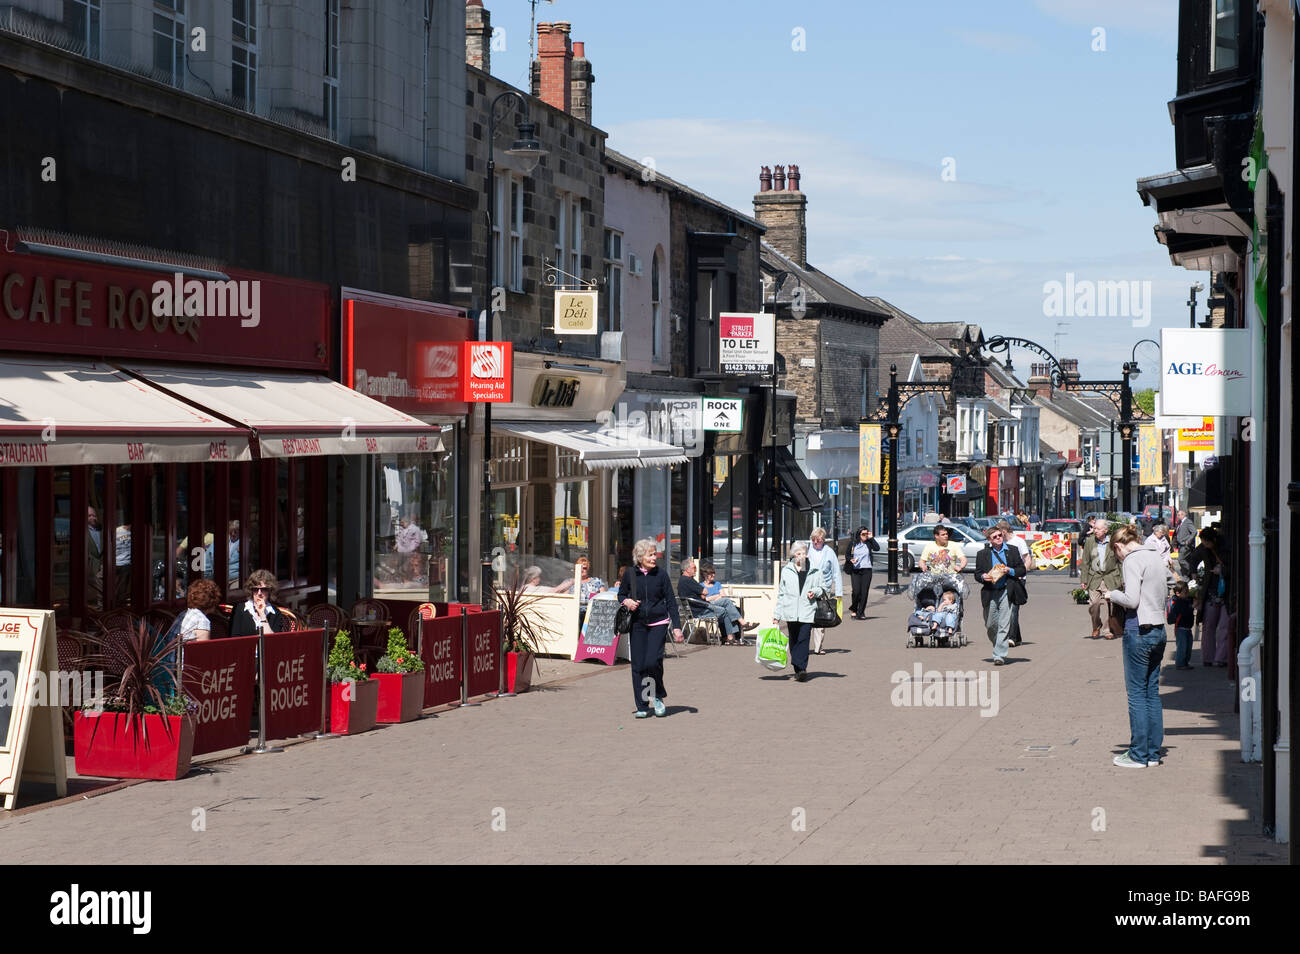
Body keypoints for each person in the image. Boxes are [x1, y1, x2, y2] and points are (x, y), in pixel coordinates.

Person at [1106, 524, 1172, 768]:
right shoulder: (1155, 556)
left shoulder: (1131, 561)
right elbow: (1171, 583)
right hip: (1159, 630)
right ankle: (1153, 753)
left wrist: (1112, 594)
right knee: (1151, 693)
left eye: (1116, 554)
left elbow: (1131, 599)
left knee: (1136, 695)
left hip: (1139, 630)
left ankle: (1138, 755)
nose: (1119, 557)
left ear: (1118, 546)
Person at [617, 538, 682, 718]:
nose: (654, 557)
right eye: (650, 554)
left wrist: (676, 627)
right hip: (637, 623)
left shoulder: (661, 575)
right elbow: (621, 594)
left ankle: (657, 695)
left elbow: (671, 601)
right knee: (638, 665)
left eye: (655, 554)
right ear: (640, 556)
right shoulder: (630, 574)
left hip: (658, 623)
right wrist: (627, 601)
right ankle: (643, 706)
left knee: (652, 662)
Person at [773, 541, 826, 682]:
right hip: (790, 611)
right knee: (794, 639)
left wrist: (814, 592)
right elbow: (782, 594)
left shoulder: (814, 569)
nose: (801, 556)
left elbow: (823, 588)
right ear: (793, 555)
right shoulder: (787, 570)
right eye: (798, 553)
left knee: (804, 639)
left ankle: (802, 668)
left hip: (807, 610)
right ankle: (797, 666)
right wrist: (777, 615)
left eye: (803, 553)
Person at [974, 525, 1024, 666]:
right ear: (989, 539)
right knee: (990, 624)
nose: (998, 538)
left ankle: (999, 655)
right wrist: (983, 576)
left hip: (1006, 590)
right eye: (994, 537)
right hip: (990, 592)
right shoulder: (982, 554)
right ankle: (998, 644)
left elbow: (1022, 569)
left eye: (1000, 535)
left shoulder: (1012, 551)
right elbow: (977, 573)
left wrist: (1011, 570)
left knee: (1004, 624)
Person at [678, 558, 747, 644]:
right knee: (725, 610)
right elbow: (705, 592)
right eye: (694, 567)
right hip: (701, 609)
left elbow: (703, 594)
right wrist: (703, 594)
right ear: (687, 569)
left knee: (726, 602)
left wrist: (702, 594)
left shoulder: (683, 580)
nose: (696, 570)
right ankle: (732, 634)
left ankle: (734, 631)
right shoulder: (688, 581)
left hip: (700, 606)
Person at [1184, 528, 1225, 666]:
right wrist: (1193, 572)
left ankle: (1219, 658)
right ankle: (1210, 658)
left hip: (1223, 590)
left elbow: (1193, 557)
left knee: (1217, 627)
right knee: (1210, 626)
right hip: (1212, 590)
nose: (1204, 545)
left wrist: (1223, 570)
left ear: (1212, 540)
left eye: (1206, 543)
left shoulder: (1224, 547)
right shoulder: (1205, 548)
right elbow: (1193, 558)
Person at [1080, 517, 1121, 639]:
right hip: (1094, 578)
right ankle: (1096, 625)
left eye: (1097, 529)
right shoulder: (1090, 542)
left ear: (1105, 530)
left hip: (1110, 577)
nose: (1095, 531)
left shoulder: (1113, 542)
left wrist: (1123, 580)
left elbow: (1120, 562)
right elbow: (1085, 562)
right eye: (1094, 528)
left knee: (1108, 605)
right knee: (1094, 605)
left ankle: (1106, 631)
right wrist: (1084, 579)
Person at [805, 527, 842, 656]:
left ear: (823, 540)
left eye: (818, 540)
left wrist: (839, 593)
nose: (815, 543)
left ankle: (818, 647)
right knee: (806, 618)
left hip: (823, 590)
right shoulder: (806, 550)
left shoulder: (829, 552)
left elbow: (836, 573)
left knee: (820, 618)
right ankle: (804, 645)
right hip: (808, 588)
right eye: (814, 540)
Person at [997, 519, 1032, 646]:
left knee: (1014, 608)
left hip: (1018, 579)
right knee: (1008, 609)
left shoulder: (1018, 541)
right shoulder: (1000, 543)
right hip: (1004, 579)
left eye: (999, 533)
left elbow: (1027, 558)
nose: (997, 536)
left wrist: (1023, 573)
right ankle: (1017, 637)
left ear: (1004, 531)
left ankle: (1011, 637)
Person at [229, 569, 290, 637]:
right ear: (251, 591)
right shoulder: (239, 609)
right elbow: (234, 639)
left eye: (263, 589)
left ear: (270, 591)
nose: (259, 593)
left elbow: (272, 641)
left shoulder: (275, 612)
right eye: (255, 589)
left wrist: (262, 615)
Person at [845, 526, 879, 620]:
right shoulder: (853, 544)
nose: (865, 536)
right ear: (859, 535)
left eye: (866, 534)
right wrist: (850, 560)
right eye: (863, 534)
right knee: (856, 592)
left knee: (864, 593)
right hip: (855, 570)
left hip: (867, 570)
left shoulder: (868, 543)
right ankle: (854, 609)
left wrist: (871, 538)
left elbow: (877, 548)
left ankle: (861, 612)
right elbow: (847, 555)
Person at [1167, 580, 1195, 671]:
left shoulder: (1186, 600)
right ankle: (1180, 664)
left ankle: (1185, 662)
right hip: (1181, 629)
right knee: (1182, 647)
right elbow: (1184, 612)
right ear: (1178, 593)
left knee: (1188, 647)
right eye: (1185, 592)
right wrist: (1192, 606)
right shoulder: (1178, 602)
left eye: (1188, 591)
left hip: (1187, 628)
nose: (1187, 594)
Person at [395, 515, 423, 582]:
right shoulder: (403, 530)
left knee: (411, 568)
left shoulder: (415, 529)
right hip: (402, 553)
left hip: (411, 553)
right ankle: (403, 580)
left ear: (407, 522)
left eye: (402, 523)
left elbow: (418, 541)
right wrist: (397, 545)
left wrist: (409, 549)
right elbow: (399, 539)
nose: (401, 525)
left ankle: (413, 581)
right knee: (402, 568)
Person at [1174, 510, 1197, 575]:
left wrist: (1188, 540)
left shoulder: (1188, 522)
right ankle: (1187, 576)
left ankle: (1191, 571)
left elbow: (1194, 532)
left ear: (1183, 515)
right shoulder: (1180, 522)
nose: (1178, 516)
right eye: (1177, 515)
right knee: (1186, 560)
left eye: (1179, 515)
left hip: (1185, 545)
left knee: (1180, 560)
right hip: (1180, 544)